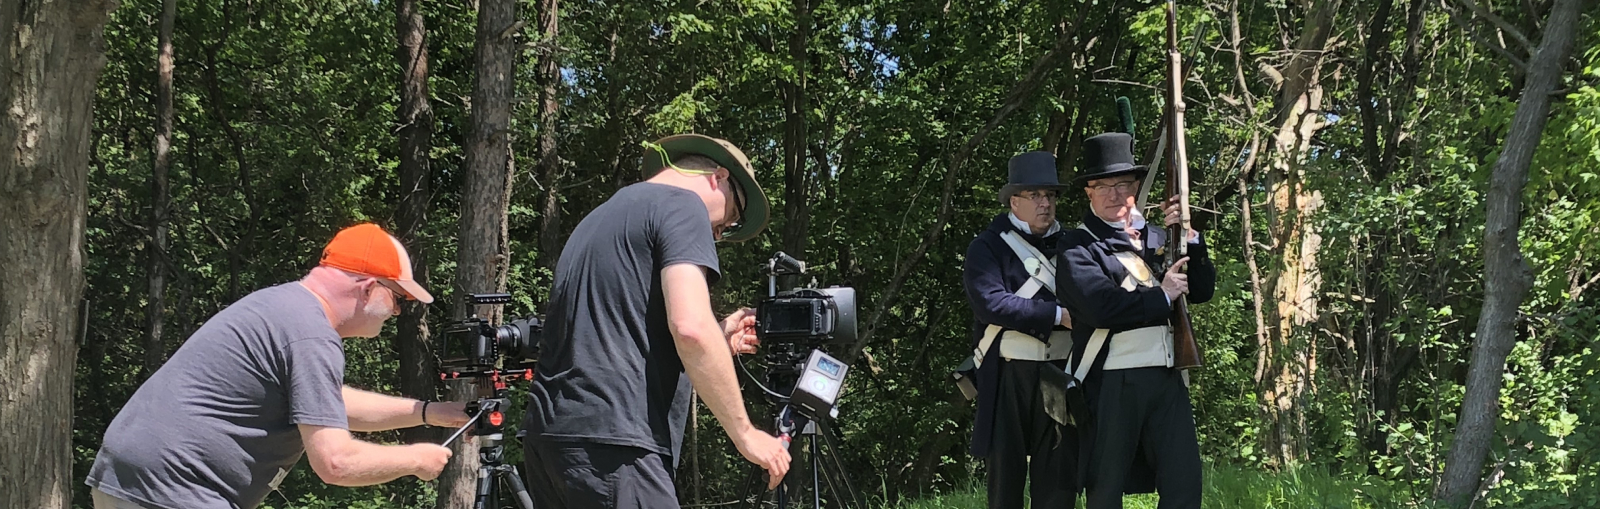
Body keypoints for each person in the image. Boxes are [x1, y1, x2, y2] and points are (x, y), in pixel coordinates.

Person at [85, 223, 472, 509]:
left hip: (133, 482)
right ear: (368, 287)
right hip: (173, 491)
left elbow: (327, 402)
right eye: (398, 297)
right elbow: (336, 463)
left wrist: (429, 413)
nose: (399, 311)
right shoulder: (311, 334)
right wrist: (416, 459)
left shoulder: (284, 306)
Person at [521, 134, 790, 508]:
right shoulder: (683, 206)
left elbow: (615, 329)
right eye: (729, 219)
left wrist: (720, 334)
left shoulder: (598, 218)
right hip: (618, 448)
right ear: (719, 177)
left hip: (549, 439)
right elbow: (691, 328)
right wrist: (746, 434)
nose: (719, 233)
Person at [1054, 132, 1216, 509]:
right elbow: (1100, 307)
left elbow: (1202, 290)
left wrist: (1190, 236)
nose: (1115, 194)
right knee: (1106, 488)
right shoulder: (1077, 245)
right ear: (1089, 192)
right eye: (1104, 185)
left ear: (1135, 187)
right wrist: (1162, 295)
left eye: (1123, 185)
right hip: (1112, 377)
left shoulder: (1160, 237)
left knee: (1183, 484)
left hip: (1165, 374)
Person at [962, 151, 1078, 509]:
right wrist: (1057, 315)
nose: (1045, 204)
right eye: (1035, 196)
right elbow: (992, 303)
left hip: (1060, 370)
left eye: (1050, 196)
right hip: (1008, 372)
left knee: (1059, 483)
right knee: (1005, 486)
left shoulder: (1074, 245)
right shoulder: (987, 247)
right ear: (1014, 201)